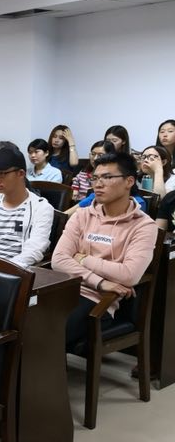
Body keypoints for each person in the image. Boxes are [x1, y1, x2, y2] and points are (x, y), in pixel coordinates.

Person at [52, 151, 158, 354]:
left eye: (107, 177)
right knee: (22, 321)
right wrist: (100, 281)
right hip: (64, 290)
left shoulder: (144, 226)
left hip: (97, 301)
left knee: (46, 332)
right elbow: (58, 260)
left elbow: (129, 274)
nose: (98, 184)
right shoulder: (82, 215)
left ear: (129, 181)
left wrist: (82, 258)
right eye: (95, 178)